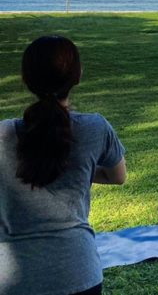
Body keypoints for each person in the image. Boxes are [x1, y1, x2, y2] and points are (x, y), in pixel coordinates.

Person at [0, 36, 127, 295]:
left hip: (14, 280)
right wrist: (79, 170)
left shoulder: (2, 135)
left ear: (25, 79)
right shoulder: (96, 128)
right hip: (80, 274)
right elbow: (118, 176)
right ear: (78, 76)